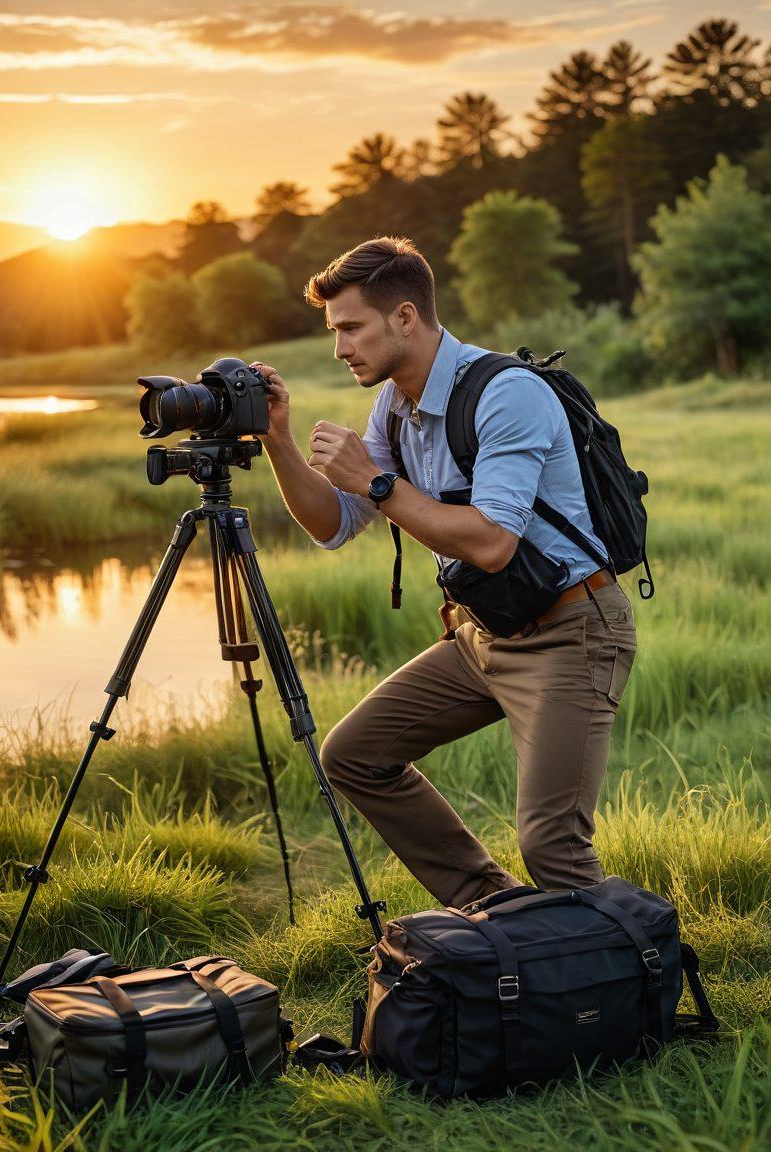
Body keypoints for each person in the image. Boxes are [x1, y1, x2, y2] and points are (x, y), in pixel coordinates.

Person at [251, 236, 637, 909]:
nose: (339, 348)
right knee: (354, 756)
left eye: (351, 328)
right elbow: (333, 524)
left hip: (571, 633)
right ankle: (501, 909)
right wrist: (276, 439)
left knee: (552, 845)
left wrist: (375, 482)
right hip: (483, 635)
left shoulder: (506, 394)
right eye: (334, 331)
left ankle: (634, 964)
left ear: (405, 316)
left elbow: (491, 544)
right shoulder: (393, 406)